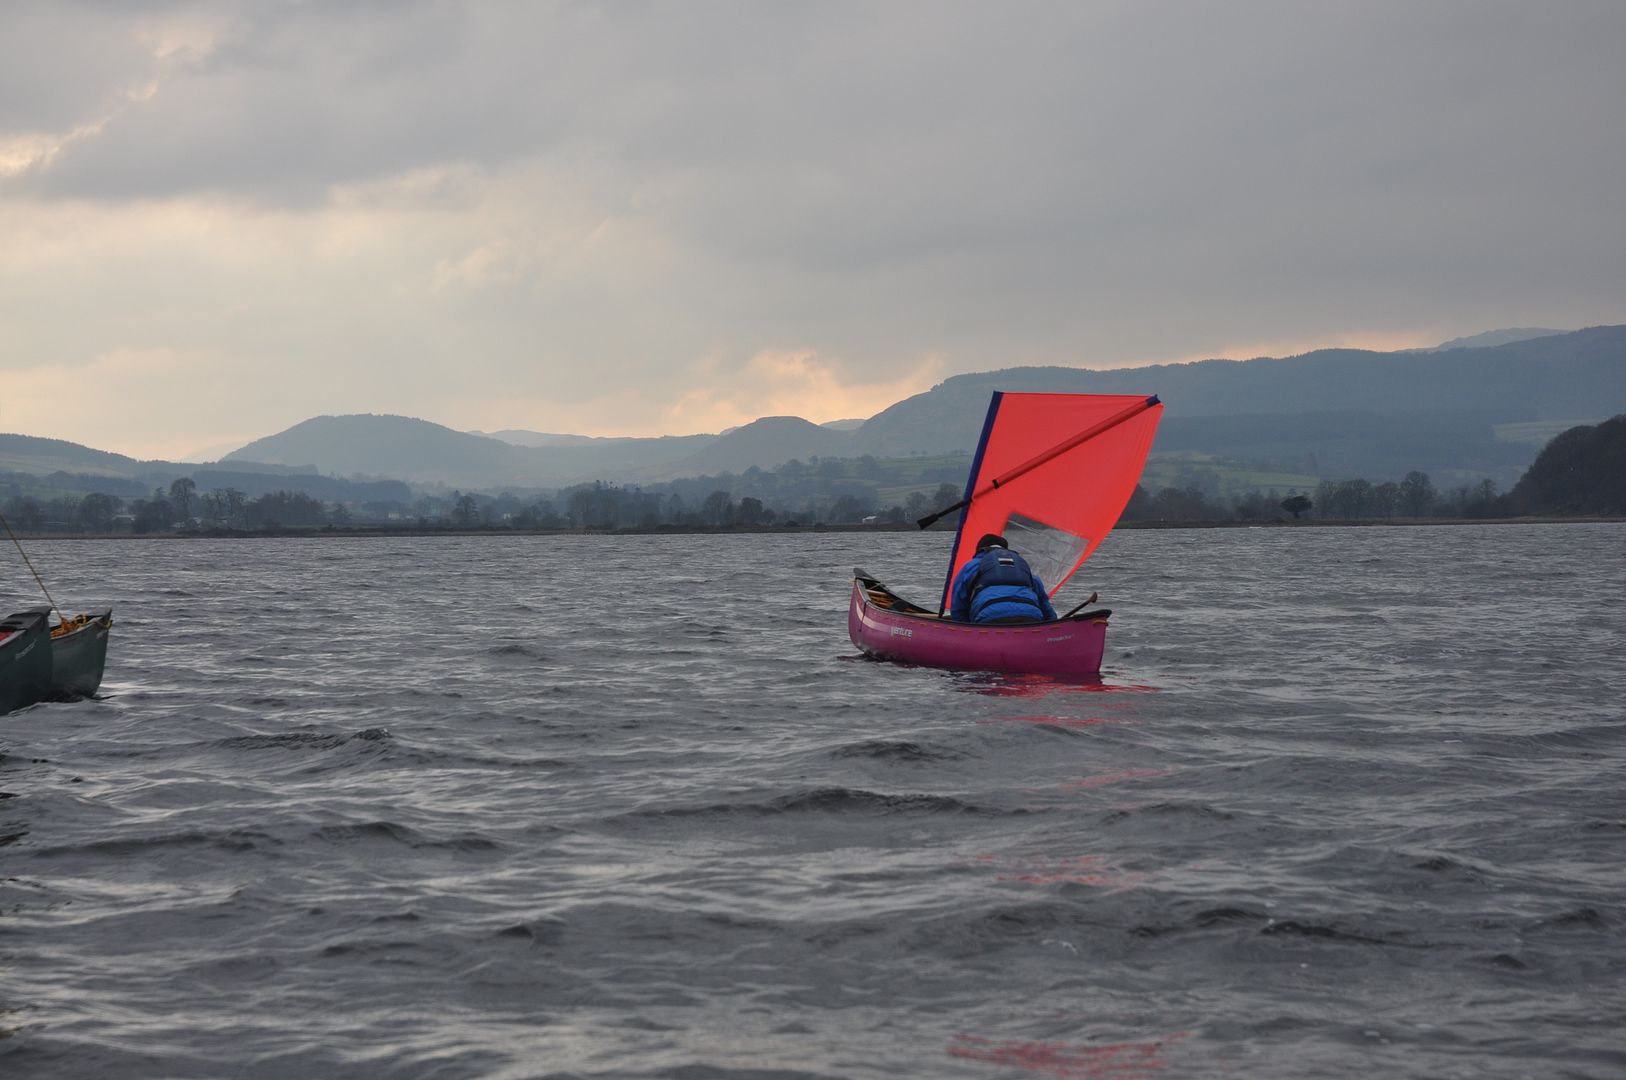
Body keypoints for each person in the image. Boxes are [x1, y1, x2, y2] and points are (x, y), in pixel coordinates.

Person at [949, 533, 1058, 623]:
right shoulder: (1022, 568)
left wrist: (966, 630)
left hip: (989, 619)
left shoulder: (971, 566)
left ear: (979, 550)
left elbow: (958, 607)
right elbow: (1045, 606)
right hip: (1031, 617)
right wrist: (1053, 628)